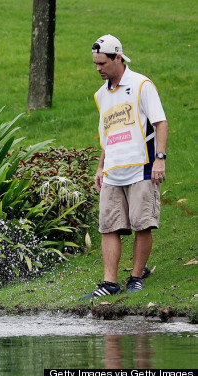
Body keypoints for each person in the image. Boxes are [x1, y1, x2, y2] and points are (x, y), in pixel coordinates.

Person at [80, 35, 168, 299]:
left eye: (102, 63)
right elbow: (106, 136)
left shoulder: (142, 84)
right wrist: (100, 168)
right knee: (108, 226)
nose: (98, 68)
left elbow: (160, 123)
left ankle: (136, 277)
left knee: (142, 224)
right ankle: (109, 283)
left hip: (142, 166)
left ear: (118, 57)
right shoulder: (100, 95)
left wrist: (160, 158)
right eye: (95, 64)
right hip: (112, 171)